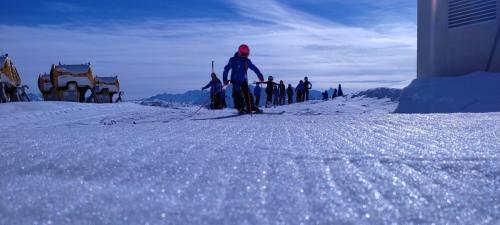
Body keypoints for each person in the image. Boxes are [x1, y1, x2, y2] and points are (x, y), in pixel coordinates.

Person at [223, 44, 265, 113]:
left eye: (246, 54)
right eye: (243, 54)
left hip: (243, 80)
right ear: (239, 52)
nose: (244, 56)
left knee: (248, 94)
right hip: (235, 80)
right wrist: (224, 79)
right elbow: (226, 69)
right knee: (237, 94)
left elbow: (254, 68)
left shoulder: (247, 61)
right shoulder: (233, 60)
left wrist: (260, 75)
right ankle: (240, 108)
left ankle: (250, 107)